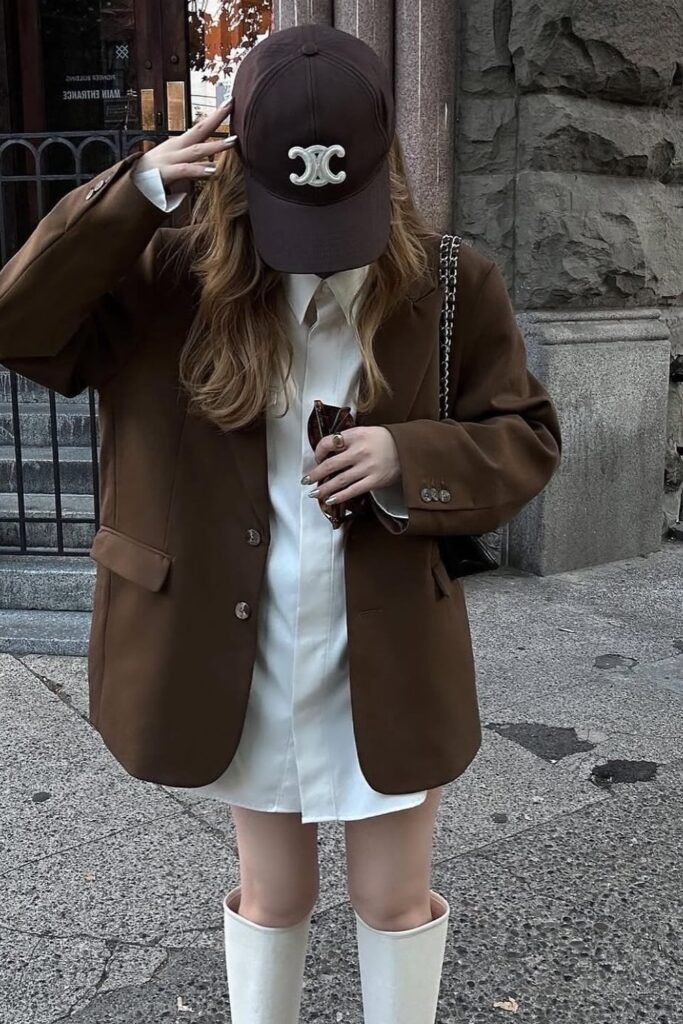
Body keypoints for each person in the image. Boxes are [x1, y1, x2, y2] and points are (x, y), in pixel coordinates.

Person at [0, 22, 562, 1024]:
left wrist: (408, 457)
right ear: (233, 164)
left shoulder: (446, 281)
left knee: (390, 898)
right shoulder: (164, 275)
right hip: (233, 645)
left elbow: (526, 435)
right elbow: (21, 327)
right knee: (276, 893)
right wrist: (124, 199)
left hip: (378, 640)